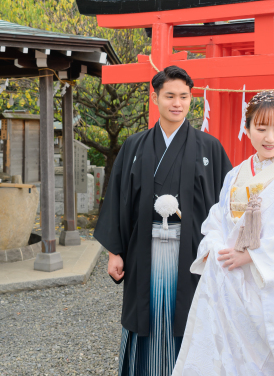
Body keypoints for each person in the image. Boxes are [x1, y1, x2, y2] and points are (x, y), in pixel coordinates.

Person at [173, 90, 274, 376]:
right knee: (230, 357)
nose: (270, 138)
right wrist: (214, 248)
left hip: (271, 283)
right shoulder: (235, 174)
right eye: (261, 129)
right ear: (246, 129)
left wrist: (253, 257)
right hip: (232, 283)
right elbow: (216, 220)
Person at [94, 65, 232, 376]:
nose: (177, 103)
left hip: (193, 253)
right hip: (143, 250)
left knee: (191, 316)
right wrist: (115, 252)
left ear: (191, 98)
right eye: (170, 96)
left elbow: (226, 205)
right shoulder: (134, 146)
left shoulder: (209, 147)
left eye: (184, 96)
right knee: (148, 316)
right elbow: (117, 199)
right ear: (155, 98)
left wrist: (221, 249)